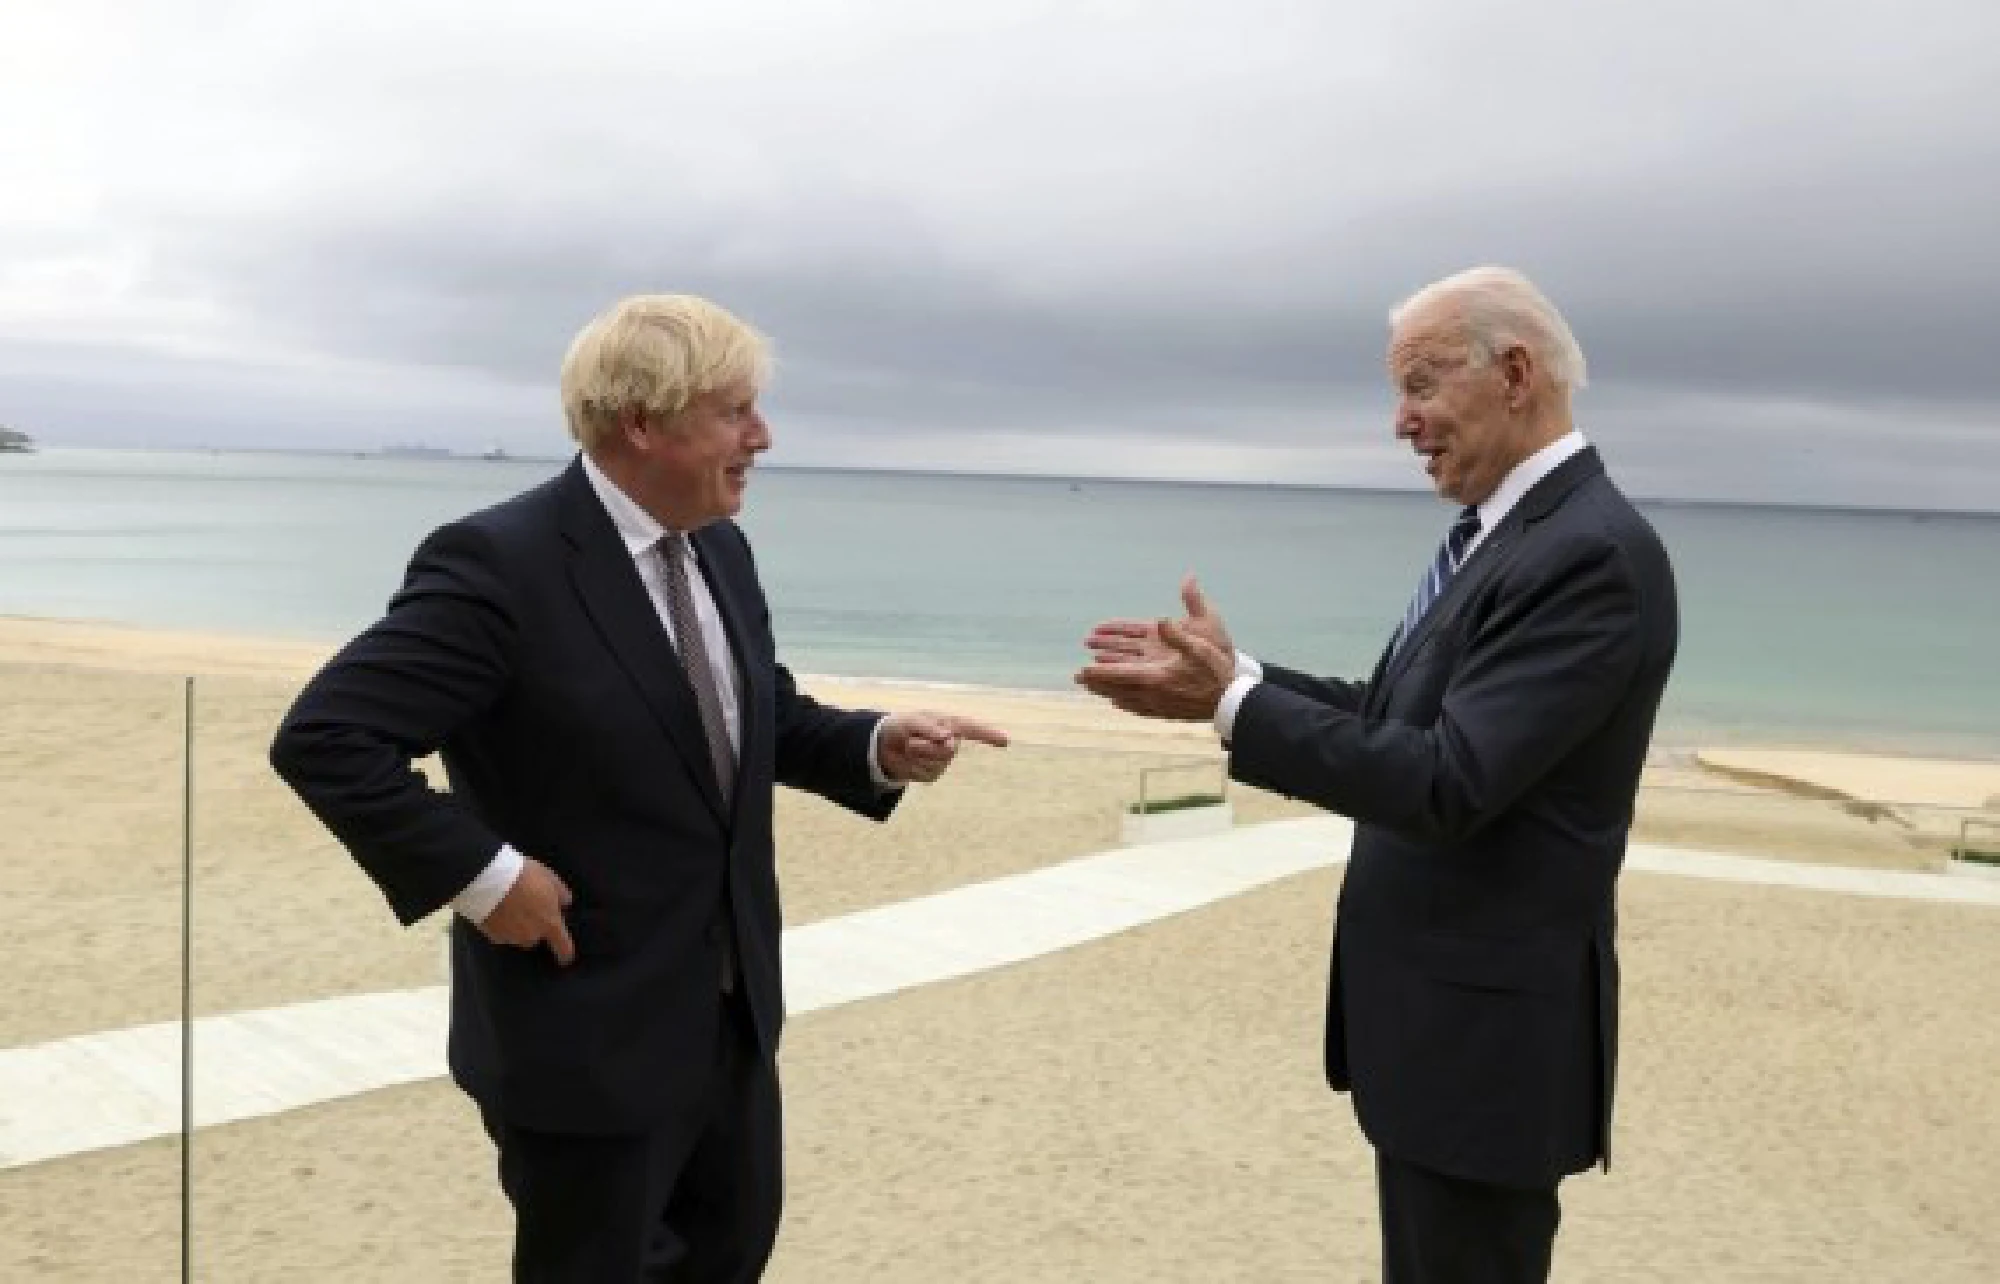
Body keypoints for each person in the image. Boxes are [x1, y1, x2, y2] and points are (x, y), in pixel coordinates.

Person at [269, 293, 1007, 1282]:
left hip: (732, 1020)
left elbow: (753, 714)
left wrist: (875, 743)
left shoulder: (718, 547)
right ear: (643, 422)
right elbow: (328, 736)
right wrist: (488, 880)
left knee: (728, 1260)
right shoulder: (499, 563)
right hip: (580, 1038)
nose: (763, 435)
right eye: (734, 412)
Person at [1076, 266, 1678, 1284]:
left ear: (1515, 373)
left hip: (1485, 1053)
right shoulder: (1506, 535)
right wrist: (1238, 678)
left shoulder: (1588, 554)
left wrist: (1227, 710)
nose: (1400, 422)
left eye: (1420, 386)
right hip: (1439, 1035)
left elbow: (1446, 780)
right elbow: (1393, 712)